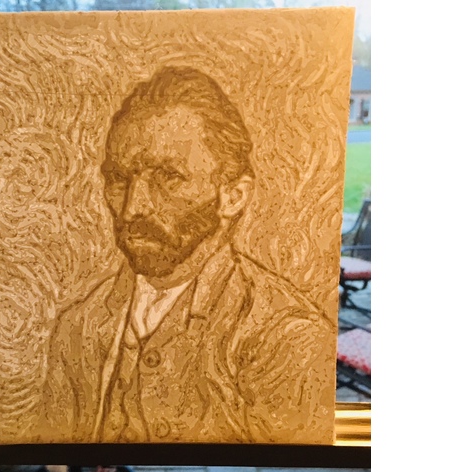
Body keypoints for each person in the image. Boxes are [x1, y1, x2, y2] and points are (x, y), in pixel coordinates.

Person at [37, 67, 334, 444]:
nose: (133, 208)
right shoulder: (77, 327)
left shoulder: (287, 338)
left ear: (233, 197)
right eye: (119, 179)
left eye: (169, 177)